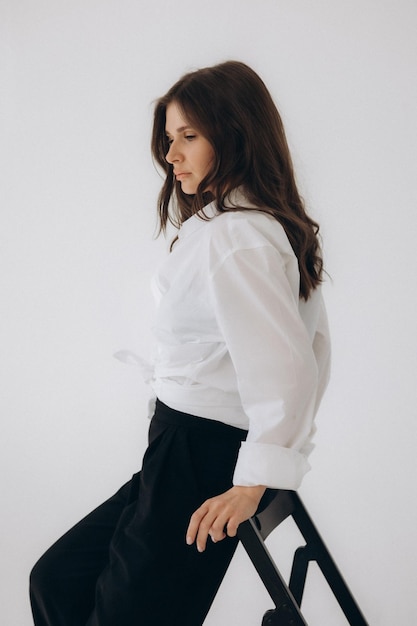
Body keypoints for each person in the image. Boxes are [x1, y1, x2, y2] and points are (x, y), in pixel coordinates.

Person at [29, 60, 331, 626]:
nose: (171, 156)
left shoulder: (239, 238)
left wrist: (250, 485)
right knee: (57, 579)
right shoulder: (227, 226)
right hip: (178, 447)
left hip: (204, 454)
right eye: (170, 139)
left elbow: (290, 369)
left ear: (235, 133)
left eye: (189, 137)